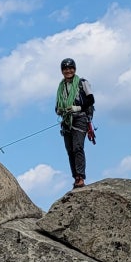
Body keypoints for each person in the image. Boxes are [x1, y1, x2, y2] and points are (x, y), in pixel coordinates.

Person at [55, 59, 95, 190]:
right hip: (67, 120)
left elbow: (91, 100)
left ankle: (80, 176)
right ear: (62, 71)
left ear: (75, 69)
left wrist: (77, 108)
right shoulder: (61, 87)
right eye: (65, 69)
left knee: (78, 147)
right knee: (70, 150)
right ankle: (75, 176)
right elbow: (57, 106)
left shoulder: (82, 83)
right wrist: (60, 110)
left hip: (80, 118)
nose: (68, 71)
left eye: (71, 68)